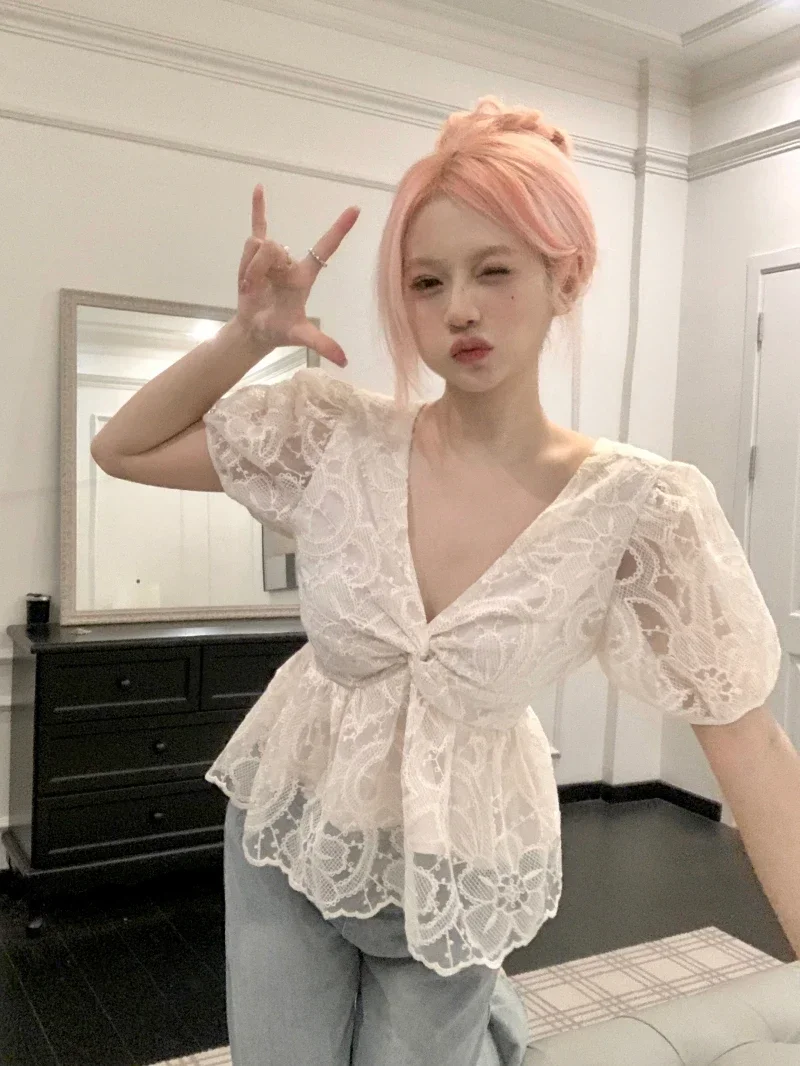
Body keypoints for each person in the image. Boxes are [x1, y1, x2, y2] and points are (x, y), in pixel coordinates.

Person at [91, 97, 789, 1065]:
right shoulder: (334, 435)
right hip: (294, 821)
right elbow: (121, 448)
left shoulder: (639, 508)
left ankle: (488, 1017)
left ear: (564, 277)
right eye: (426, 282)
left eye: (493, 270)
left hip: (460, 857)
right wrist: (248, 336)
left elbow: (750, 744)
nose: (458, 307)